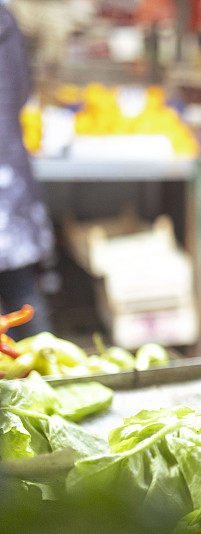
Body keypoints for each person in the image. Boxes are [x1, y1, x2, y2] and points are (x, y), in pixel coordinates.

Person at [0, 5, 54, 340]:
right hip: (8, 183)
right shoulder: (5, 19)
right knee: (24, 298)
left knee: (23, 299)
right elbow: (21, 90)